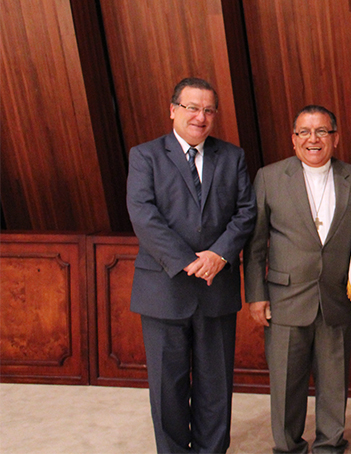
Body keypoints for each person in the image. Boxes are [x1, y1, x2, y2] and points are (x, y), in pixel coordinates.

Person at [127, 77, 256, 453]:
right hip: (163, 290)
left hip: (217, 287)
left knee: (216, 386)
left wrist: (217, 255)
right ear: (173, 110)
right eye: (192, 108)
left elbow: (245, 213)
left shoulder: (232, 156)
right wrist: (187, 261)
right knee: (168, 387)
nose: (200, 117)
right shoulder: (145, 155)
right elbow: (143, 215)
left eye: (208, 110)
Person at [244, 105, 351, 454]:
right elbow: (254, 244)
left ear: (335, 138)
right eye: (304, 132)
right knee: (286, 384)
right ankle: (288, 447)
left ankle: (330, 444)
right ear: (294, 139)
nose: (313, 139)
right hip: (284, 299)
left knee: (334, 383)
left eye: (322, 131)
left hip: (336, 297)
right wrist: (256, 295)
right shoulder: (269, 177)